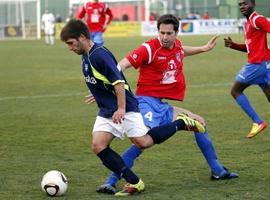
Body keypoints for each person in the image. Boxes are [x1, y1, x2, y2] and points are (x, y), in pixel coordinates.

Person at [60, 19, 206, 196]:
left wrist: (121, 109)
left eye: (71, 43)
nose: (70, 47)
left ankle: (180, 123)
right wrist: (98, 92)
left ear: (82, 37)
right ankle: (135, 182)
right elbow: (104, 80)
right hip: (107, 109)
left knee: (142, 142)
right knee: (98, 145)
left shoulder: (100, 55)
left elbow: (119, 82)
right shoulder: (86, 55)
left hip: (125, 107)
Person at [97, 14, 239, 194]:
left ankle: (218, 171)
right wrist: (105, 85)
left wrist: (203, 48)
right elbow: (121, 65)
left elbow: (181, 50)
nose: (164, 37)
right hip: (145, 102)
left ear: (176, 33)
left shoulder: (176, 44)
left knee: (199, 123)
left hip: (161, 105)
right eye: (161, 33)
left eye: (169, 33)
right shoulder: (149, 48)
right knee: (142, 142)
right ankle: (111, 181)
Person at [224, 0, 270, 138]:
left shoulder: (257, 19)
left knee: (235, 90)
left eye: (245, 3)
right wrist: (234, 45)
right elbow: (251, 48)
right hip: (264, 64)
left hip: (257, 65)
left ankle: (258, 121)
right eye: (240, 5)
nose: (242, 7)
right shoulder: (249, 22)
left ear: (253, 4)